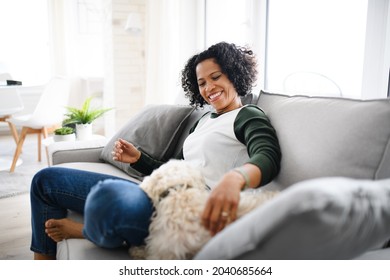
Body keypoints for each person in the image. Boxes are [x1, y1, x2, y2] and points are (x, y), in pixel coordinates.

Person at [30, 42, 281, 260]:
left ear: (235, 75)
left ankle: (86, 231)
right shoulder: (203, 120)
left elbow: (267, 155)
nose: (208, 88)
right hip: (157, 194)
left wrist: (237, 178)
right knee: (46, 180)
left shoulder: (247, 115)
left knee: (107, 199)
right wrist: (139, 159)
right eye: (201, 82)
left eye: (216, 77)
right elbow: (177, 170)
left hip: (186, 211)